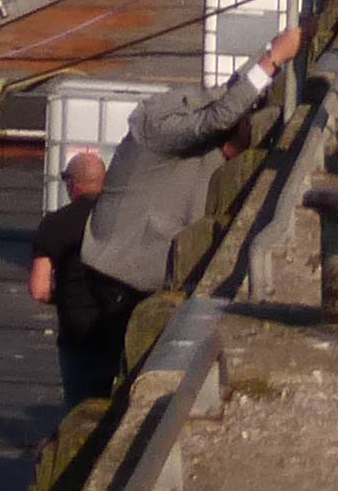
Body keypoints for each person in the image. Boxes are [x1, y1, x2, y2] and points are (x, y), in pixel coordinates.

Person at [77, 22, 306, 313]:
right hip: (115, 282)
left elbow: (232, 90)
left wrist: (287, 43)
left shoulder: (211, 157)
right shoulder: (154, 129)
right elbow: (219, 114)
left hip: (143, 281)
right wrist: (273, 59)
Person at [29, 149, 134, 408]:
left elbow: (39, 289)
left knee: (80, 411)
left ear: (72, 184)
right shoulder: (125, 219)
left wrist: (64, 295)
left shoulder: (55, 224)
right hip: (121, 326)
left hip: (78, 334)